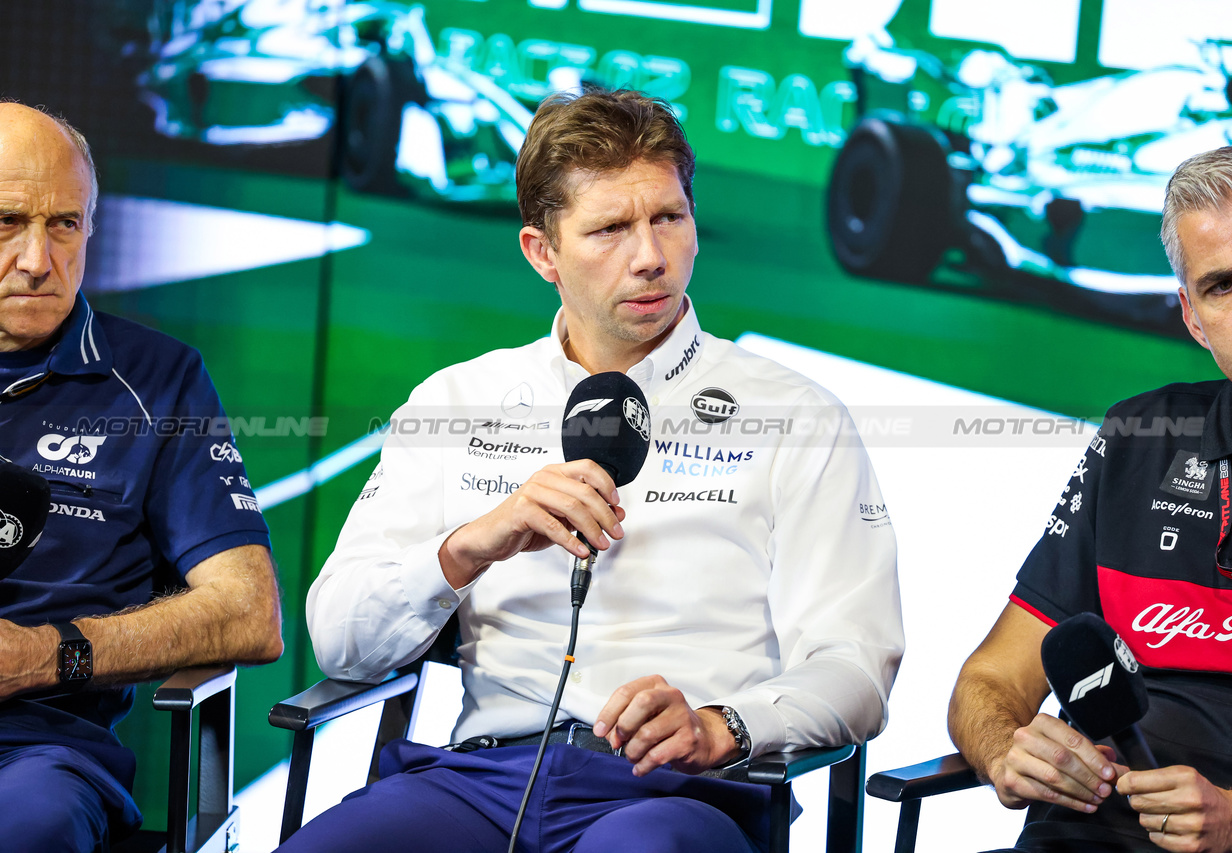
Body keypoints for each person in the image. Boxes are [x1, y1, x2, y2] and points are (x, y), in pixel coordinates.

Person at [287, 89, 903, 852]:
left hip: (681, 792)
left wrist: (724, 726)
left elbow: (857, 662)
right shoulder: (457, 399)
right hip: (479, 782)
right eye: (610, 228)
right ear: (541, 253)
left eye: (669, 218)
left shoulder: (799, 415)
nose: (649, 255)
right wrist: (468, 547)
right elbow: (340, 642)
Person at [948, 142, 1232, 853]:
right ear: (1193, 319)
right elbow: (991, 677)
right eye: (1223, 285)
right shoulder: (1138, 435)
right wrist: (1007, 749)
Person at [0, 103, 283, 851]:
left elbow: (249, 612)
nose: (37, 260)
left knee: (28, 824)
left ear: (92, 228)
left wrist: (48, 651)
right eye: (6, 222)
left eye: (64, 224)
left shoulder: (158, 380)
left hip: (35, 751)